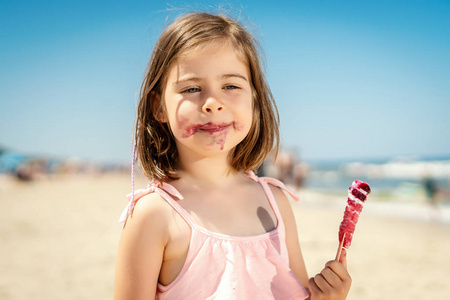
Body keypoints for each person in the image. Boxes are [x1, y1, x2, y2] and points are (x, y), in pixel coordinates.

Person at [114, 12, 351, 300]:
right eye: (191, 88)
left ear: (254, 99)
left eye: (231, 86)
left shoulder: (274, 203)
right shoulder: (153, 215)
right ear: (158, 107)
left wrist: (327, 297)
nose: (213, 103)